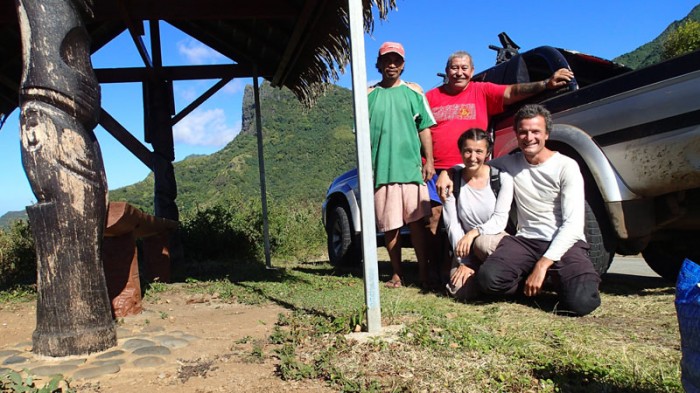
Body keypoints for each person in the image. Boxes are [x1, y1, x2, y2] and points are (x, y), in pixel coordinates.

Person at [425, 51, 574, 282]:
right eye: (454, 67)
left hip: (474, 169)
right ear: (446, 71)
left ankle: (477, 265)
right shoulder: (431, 97)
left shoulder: (481, 90)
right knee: (436, 220)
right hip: (439, 171)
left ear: (472, 71)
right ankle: (434, 271)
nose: (459, 72)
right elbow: (418, 130)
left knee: (469, 219)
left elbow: (512, 91)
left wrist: (546, 83)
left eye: (464, 67)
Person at [441, 104, 601, 316]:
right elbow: (475, 162)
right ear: (516, 134)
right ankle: (533, 286)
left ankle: (559, 278)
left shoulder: (566, 166)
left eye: (535, 131)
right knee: (489, 280)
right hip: (526, 240)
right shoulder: (510, 163)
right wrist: (448, 172)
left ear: (546, 133)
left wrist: (543, 265)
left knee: (583, 302)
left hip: (565, 241)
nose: (529, 137)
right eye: (523, 132)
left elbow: (572, 225)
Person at [368, 42, 437, 289]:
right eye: (387, 60)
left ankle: (424, 274)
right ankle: (397, 274)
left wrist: (429, 160)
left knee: (417, 223)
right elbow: (362, 137)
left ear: (403, 65)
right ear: (379, 64)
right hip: (382, 171)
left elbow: (425, 129)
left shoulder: (414, 92)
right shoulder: (368, 96)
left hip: (411, 170)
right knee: (390, 226)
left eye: (397, 61)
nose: (392, 65)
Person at [442, 128, 513, 300]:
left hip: (491, 238)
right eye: (467, 151)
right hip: (465, 246)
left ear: (488, 153)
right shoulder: (453, 181)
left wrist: (473, 234)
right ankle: (484, 277)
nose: (473, 157)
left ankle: (511, 279)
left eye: (479, 151)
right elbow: (452, 224)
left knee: (482, 243)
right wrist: (464, 261)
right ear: (460, 151)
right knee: (459, 291)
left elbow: (500, 219)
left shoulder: (501, 179)